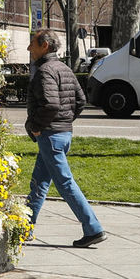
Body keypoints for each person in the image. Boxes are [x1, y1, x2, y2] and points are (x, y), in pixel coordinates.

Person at [25, 28, 105, 247]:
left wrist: (36, 125)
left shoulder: (45, 71)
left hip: (50, 135)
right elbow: (80, 101)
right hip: (61, 134)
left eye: (33, 43)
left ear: (45, 46)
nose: (29, 48)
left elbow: (51, 104)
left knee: (65, 184)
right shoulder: (64, 68)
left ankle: (93, 228)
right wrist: (65, 122)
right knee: (39, 183)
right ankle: (24, 228)